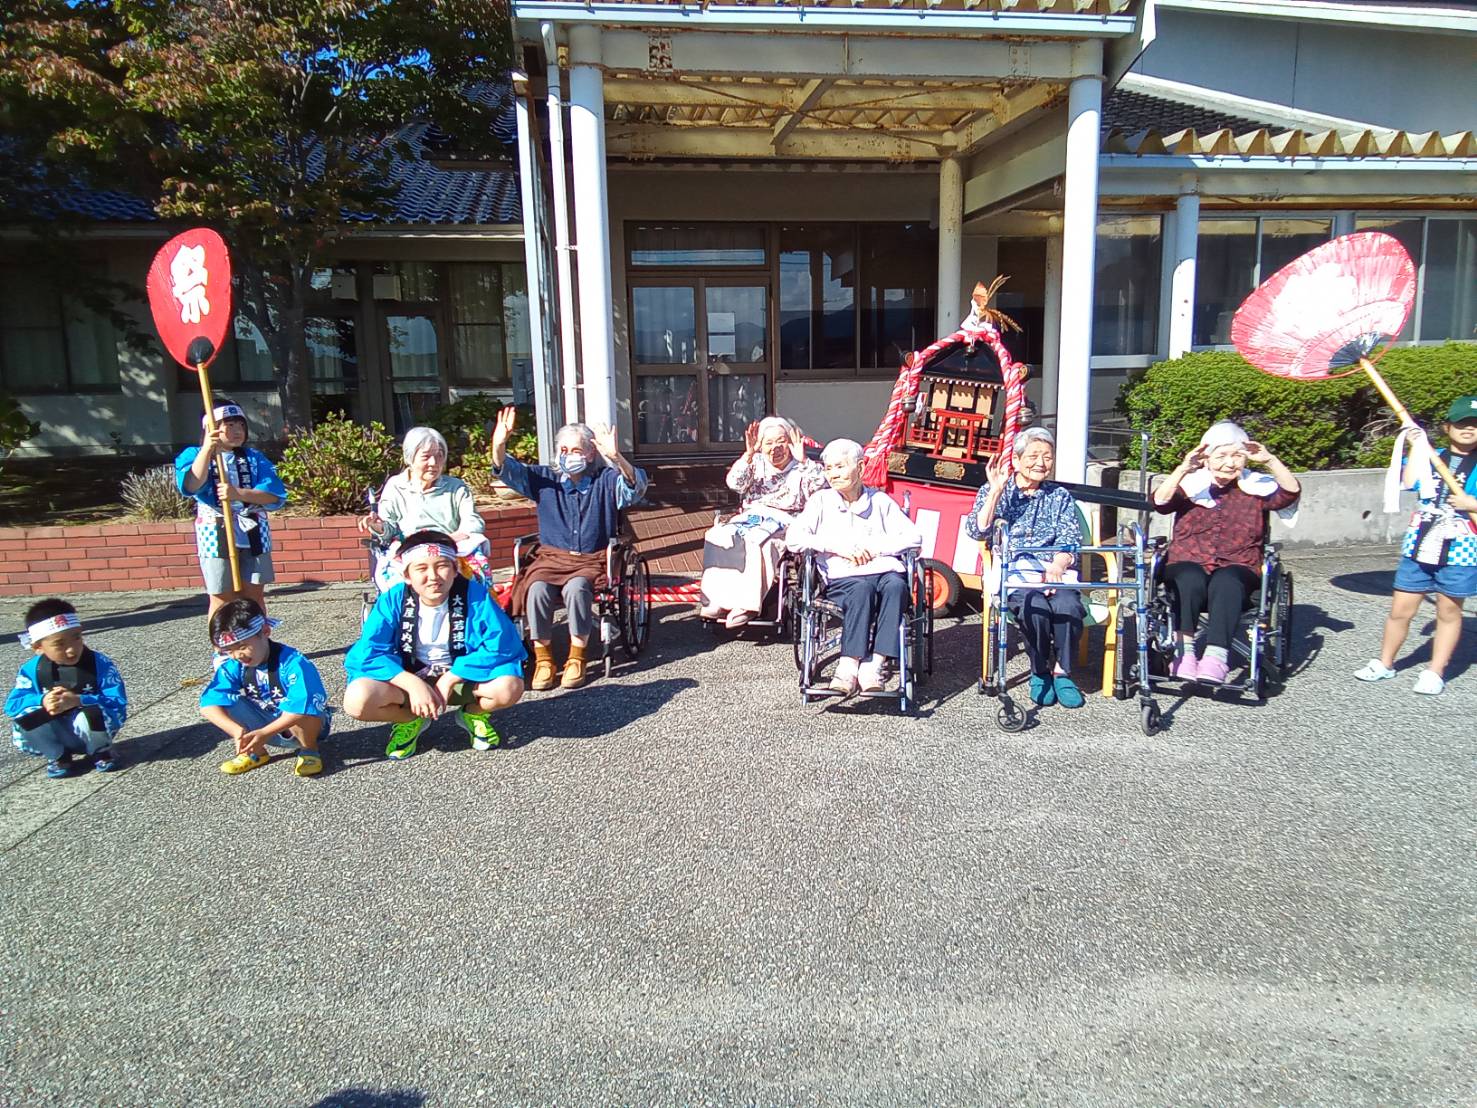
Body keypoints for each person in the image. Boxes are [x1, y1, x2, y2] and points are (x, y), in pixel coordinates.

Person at [490, 409, 649, 691]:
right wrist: (500, 444)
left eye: (576, 449)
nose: (569, 455)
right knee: (536, 588)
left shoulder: (606, 481)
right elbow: (506, 470)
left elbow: (635, 488)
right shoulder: (544, 479)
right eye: (564, 449)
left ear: (589, 454)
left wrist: (616, 457)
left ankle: (577, 656)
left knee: (577, 588)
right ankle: (543, 659)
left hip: (590, 560)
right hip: (551, 558)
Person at [344, 529, 526, 760]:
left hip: (462, 678)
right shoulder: (393, 599)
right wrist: (410, 683)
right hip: (409, 679)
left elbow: (502, 644)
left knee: (509, 687)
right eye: (421, 568)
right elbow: (369, 652)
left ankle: (473, 714)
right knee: (357, 700)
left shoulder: (475, 595)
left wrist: (452, 677)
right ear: (407, 575)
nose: (433, 576)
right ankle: (411, 719)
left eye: (442, 566)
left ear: (455, 569)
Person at [1152, 420, 1301, 685]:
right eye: (1221, 456)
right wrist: (1183, 469)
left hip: (1238, 563)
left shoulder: (1257, 486)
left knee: (1228, 580)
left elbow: (1290, 493)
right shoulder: (1191, 484)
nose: (1230, 463)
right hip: (1189, 559)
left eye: (1237, 456)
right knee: (1188, 577)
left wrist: (1270, 461)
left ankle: (1215, 657)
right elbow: (1160, 502)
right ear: (1207, 459)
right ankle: (1184, 654)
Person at [1355, 395, 1477, 695]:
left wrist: (1470, 502)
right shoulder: (1431, 455)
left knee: (1449, 611)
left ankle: (1435, 672)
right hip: (1420, 543)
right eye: (1462, 424)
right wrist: (1414, 445)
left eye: (1475, 425)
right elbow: (1409, 482)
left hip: (1461, 546)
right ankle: (1385, 662)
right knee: (1401, 609)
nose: (1469, 430)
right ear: (1448, 427)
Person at [786, 438, 922, 696]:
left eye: (839, 466)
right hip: (843, 577)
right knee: (861, 591)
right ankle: (848, 667)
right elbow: (794, 538)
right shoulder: (821, 501)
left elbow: (914, 537)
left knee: (896, 587)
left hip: (884, 570)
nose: (832, 474)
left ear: (860, 467)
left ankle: (874, 666)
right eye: (828, 468)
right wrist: (836, 547)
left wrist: (877, 548)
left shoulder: (880, 501)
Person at [964, 427, 1087, 709]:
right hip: (1016, 572)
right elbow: (977, 531)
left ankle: (1063, 673)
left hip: (1053, 569)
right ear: (1017, 461)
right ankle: (1040, 670)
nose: (1040, 463)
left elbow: (1070, 540)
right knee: (1036, 608)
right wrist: (995, 492)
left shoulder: (1059, 496)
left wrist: (1058, 563)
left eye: (1047, 456)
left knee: (1069, 606)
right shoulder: (997, 490)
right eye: (1033, 456)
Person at [699, 416, 824, 628]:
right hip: (751, 516)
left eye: (781, 441)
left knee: (757, 542)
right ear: (761, 445)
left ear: (791, 442)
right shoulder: (755, 462)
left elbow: (821, 487)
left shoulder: (802, 466)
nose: (775, 447)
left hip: (785, 521)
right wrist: (748, 454)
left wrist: (803, 460)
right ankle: (716, 601)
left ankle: (746, 605)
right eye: (769, 442)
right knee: (717, 536)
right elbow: (734, 483)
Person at [174, 399, 287, 618]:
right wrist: (207, 449)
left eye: (241, 425)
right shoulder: (191, 455)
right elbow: (191, 485)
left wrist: (238, 493)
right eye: (229, 425)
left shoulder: (254, 458)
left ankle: (258, 643)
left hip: (253, 529)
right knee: (221, 596)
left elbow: (275, 494)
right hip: (214, 531)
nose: (237, 431)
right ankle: (222, 647)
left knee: (253, 595)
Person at [199, 598, 329, 777]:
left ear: (266, 631)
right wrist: (237, 731)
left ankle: (309, 751)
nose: (237, 655)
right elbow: (208, 705)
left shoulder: (293, 663)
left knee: (304, 708)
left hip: (303, 726)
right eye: (229, 651)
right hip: (264, 725)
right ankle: (254, 752)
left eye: (243, 647)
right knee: (226, 701)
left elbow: (302, 705)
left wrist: (264, 733)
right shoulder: (235, 665)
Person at [6, 598, 127, 778]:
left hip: (93, 728)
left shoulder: (99, 663)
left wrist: (79, 700)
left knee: (91, 713)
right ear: (38, 647)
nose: (72, 649)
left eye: (76, 638)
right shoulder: (32, 669)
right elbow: (12, 705)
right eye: (59, 644)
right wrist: (42, 700)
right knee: (26, 717)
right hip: (56, 729)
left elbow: (118, 702)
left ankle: (100, 750)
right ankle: (59, 756)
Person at [357, 426, 489, 588]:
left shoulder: (456, 487)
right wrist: (376, 525)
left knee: (474, 578)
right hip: (411, 549)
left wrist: (453, 537)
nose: (434, 463)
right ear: (410, 458)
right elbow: (389, 528)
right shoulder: (396, 486)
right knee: (400, 584)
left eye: (439, 456)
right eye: (426, 457)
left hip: (449, 548)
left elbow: (473, 520)